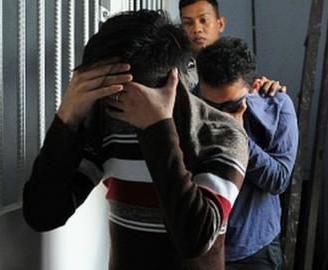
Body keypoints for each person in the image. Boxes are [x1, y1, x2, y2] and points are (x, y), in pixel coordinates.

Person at [22, 10, 249, 270]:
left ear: (167, 81)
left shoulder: (221, 133)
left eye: (118, 90)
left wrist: (158, 129)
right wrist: (67, 118)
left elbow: (194, 239)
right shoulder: (109, 125)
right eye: (100, 88)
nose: (107, 100)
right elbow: (43, 214)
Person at [196, 38, 299, 269]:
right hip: (199, 243)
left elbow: (279, 180)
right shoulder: (188, 104)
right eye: (211, 106)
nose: (219, 115)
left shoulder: (278, 106)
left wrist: (237, 136)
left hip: (254, 248)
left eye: (229, 106)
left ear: (253, 87)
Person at [178, 0, 286, 96]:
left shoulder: (238, 63)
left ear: (220, 24)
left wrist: (267, 89)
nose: (197, 29)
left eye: (204, 20)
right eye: (188, 23)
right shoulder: (175, 73)